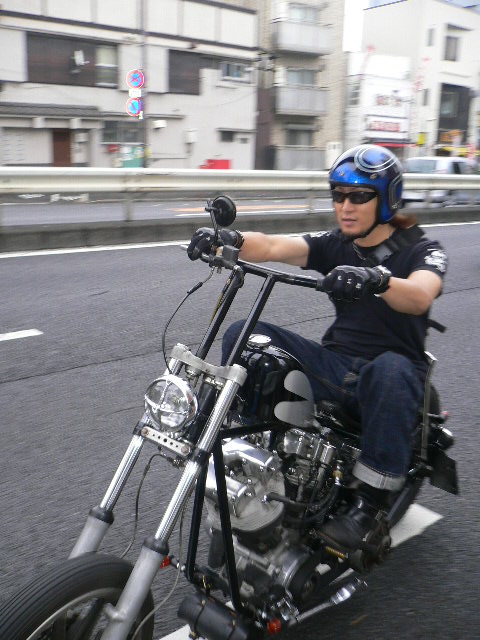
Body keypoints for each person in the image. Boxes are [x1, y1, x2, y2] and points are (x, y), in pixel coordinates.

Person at [187, 144, 448, 553]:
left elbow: (420, 295)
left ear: (387, 200)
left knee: (393, 370)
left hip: (386, 373)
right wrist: (226, 240)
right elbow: (274, 246)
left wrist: (377, 279)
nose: (346, 206)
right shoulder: (336, 243)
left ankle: (369, 509)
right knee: (245, 334)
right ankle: (238, 443)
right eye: (339, 196)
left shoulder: (423, 249)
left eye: (359, 196)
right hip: (333, 365)